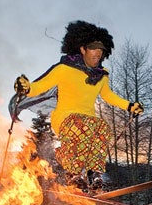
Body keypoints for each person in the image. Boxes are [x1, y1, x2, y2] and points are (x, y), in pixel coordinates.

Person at [13, 20, 144, 190]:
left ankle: (93, 173)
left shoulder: (101, 77)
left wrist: (130, 106)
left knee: (102, 127)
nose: (98, 54)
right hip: (65, 118)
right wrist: (26, 87)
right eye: (94, 49)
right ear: (82, 49)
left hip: (88, 122)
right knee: (82, 125)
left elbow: (108, 95)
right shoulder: (64, 69)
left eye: (101, 51)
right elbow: (38, 87)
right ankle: (72, 172)